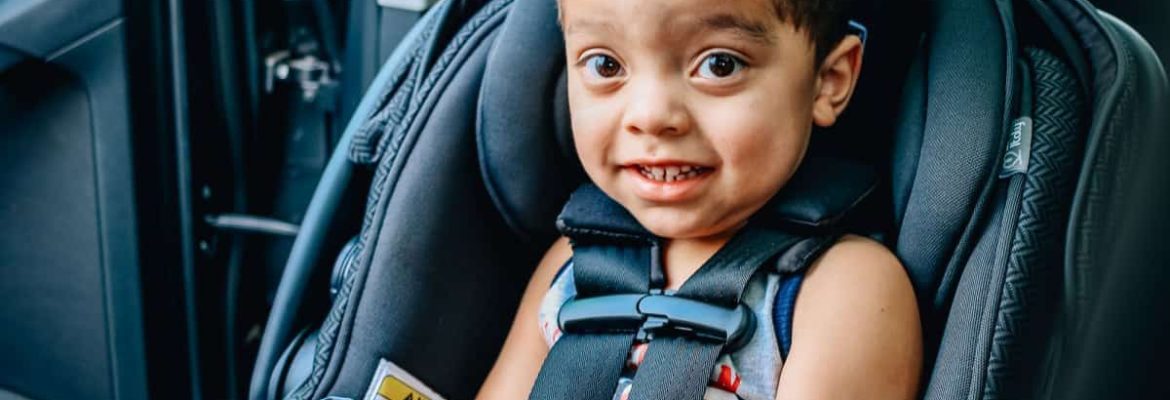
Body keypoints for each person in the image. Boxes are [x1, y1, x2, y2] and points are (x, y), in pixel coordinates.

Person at [478, 0, 921, 398]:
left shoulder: (844, 289)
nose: (651, 116)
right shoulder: (573, 265)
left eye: (720, 65)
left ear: (828, 81)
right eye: (606, 66)